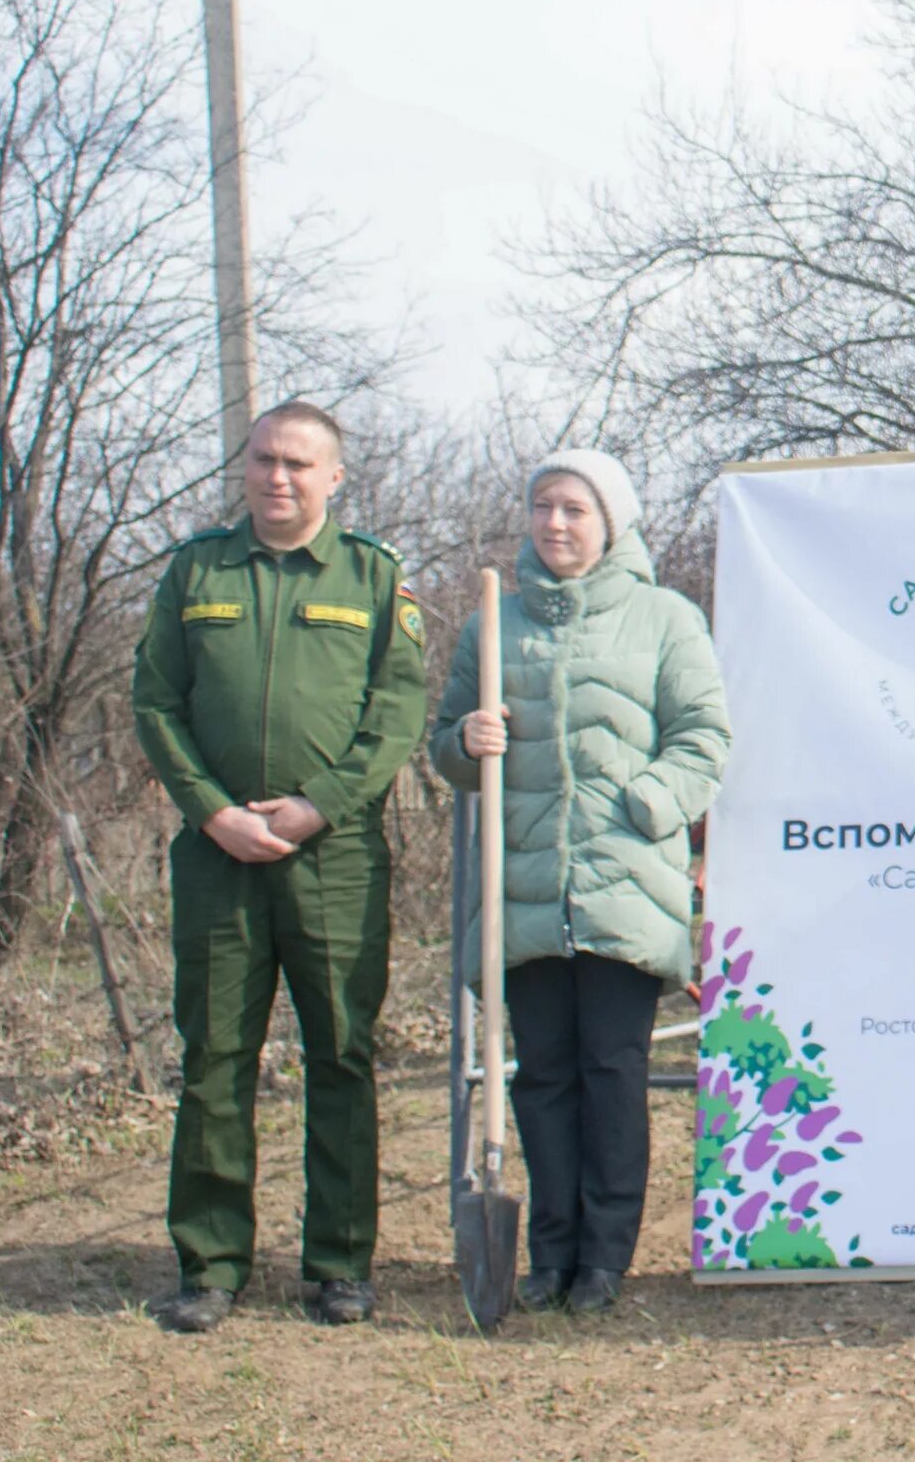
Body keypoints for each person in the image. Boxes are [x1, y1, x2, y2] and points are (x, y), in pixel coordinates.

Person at [131, 402, 429, 1333]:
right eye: (263, 459)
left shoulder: (373, 578)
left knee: (340, 1055)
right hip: (218, 857)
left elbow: (396, 714)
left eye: (299, 463)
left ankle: (339, 1264)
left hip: (333, 858)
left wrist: (317, 807)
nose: (278, 477)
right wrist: (211, 811)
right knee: (216, 1057)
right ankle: (210, 1265)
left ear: (334, 477)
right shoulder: (197, 570)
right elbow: (155, 700)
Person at [429, 450, 730, 1315]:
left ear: (611, 524)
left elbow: (705, 734)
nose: (555, 525)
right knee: (540, 1076)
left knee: (612, 1069)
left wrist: (651, 801)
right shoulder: (495, 623)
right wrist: (467, 742)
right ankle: (549, 1252)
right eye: (542, 508)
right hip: (523, 887)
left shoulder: (664, 618)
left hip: (626, 882)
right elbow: (445, 742)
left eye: (574, 510)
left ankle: (605, 1257)